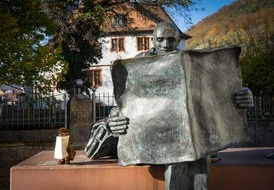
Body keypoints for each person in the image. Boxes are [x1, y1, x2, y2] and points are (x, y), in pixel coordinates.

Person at [84, 22, 254, 190]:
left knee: (195, 158)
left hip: (185, 137)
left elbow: (214, 93)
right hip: (150, 137)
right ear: (153, 40)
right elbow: (124, 104)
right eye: (161, 39)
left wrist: (241, 94)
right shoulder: (138, 65)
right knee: (178, 157)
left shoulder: (190, 63)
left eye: (171, 40)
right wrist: (114, 120)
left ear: (177, 40)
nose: (166, 44)